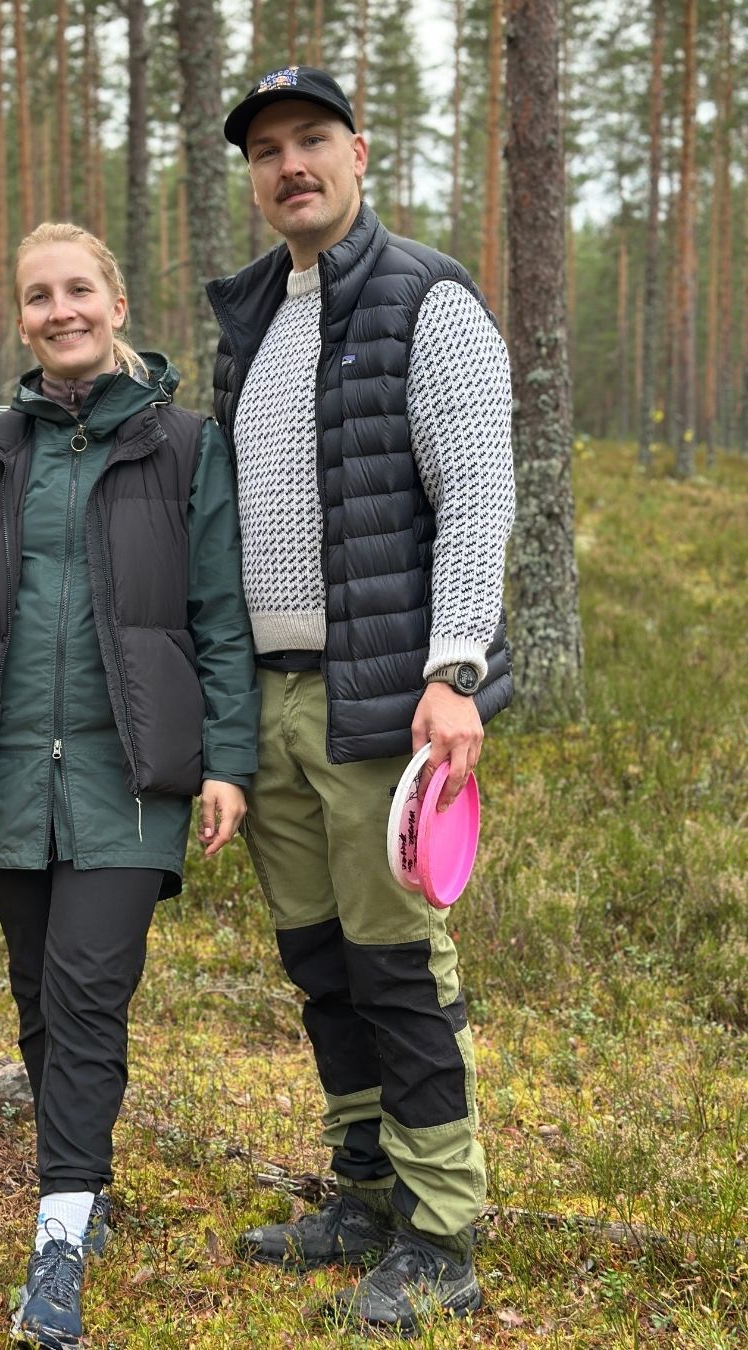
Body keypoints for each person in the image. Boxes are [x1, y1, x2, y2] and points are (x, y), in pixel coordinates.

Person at [0, 222, 259, 1349]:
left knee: (86, 991)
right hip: (2, 772)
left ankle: (58, 1239)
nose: (60, 309)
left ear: (115, 305)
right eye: (38, 296)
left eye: (79, 289)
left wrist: (228, 759)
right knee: (40, 993)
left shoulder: (184, 446)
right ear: (20, 318)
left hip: (134, 777)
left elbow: (219, 614)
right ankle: (85, 1183)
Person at [207, 67, 515, 1336]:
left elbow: (479, 490)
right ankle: (365, 1191)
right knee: (320, 964)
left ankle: (444, 1233)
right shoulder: (254, 318)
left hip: (383, 702)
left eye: (313, 141)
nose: (292, 165)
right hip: (274, 703)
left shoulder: (423, 300)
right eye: (269, 149)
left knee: (395, 967)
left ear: (360, 151)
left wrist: (454, 671)